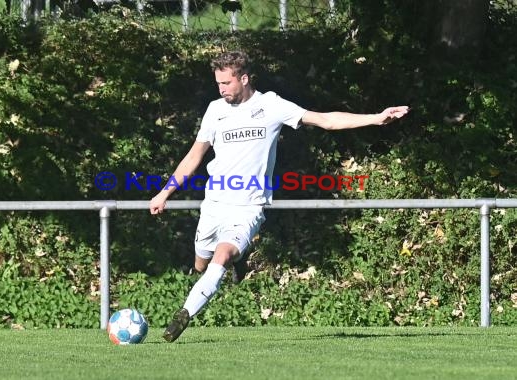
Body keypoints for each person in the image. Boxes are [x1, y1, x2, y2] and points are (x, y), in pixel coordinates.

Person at [149, 50, 409, 342]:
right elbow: (194, 156)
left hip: (248, 207)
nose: (221, 89)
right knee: (201, 263)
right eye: (218, 84)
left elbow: (325, 120)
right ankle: (238, 262)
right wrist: (164, 192)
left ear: (244, 79)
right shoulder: (215, 109)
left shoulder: (270, 105)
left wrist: (376, 118)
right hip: (214, 204)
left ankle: (183, 316)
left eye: (227, 83)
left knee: (219, 257)